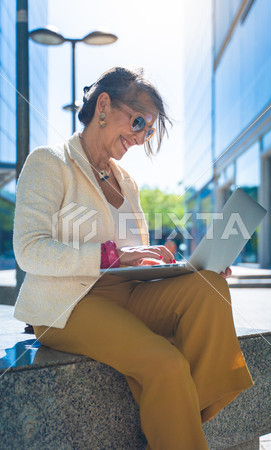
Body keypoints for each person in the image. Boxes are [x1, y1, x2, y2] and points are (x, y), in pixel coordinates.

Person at [13, 67, 253, 449]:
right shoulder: (49, 162)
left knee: (209, 285)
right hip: (69, 304)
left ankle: (180, 410)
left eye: (148, 131)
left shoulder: (126, 180)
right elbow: (29, 249)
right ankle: (180, 416)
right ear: (103, 105)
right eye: (138, 122)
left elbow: (133, 258)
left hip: (125, 296)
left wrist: (187, 269)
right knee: (166, 363)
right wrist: (110, 254)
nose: (140, 138)